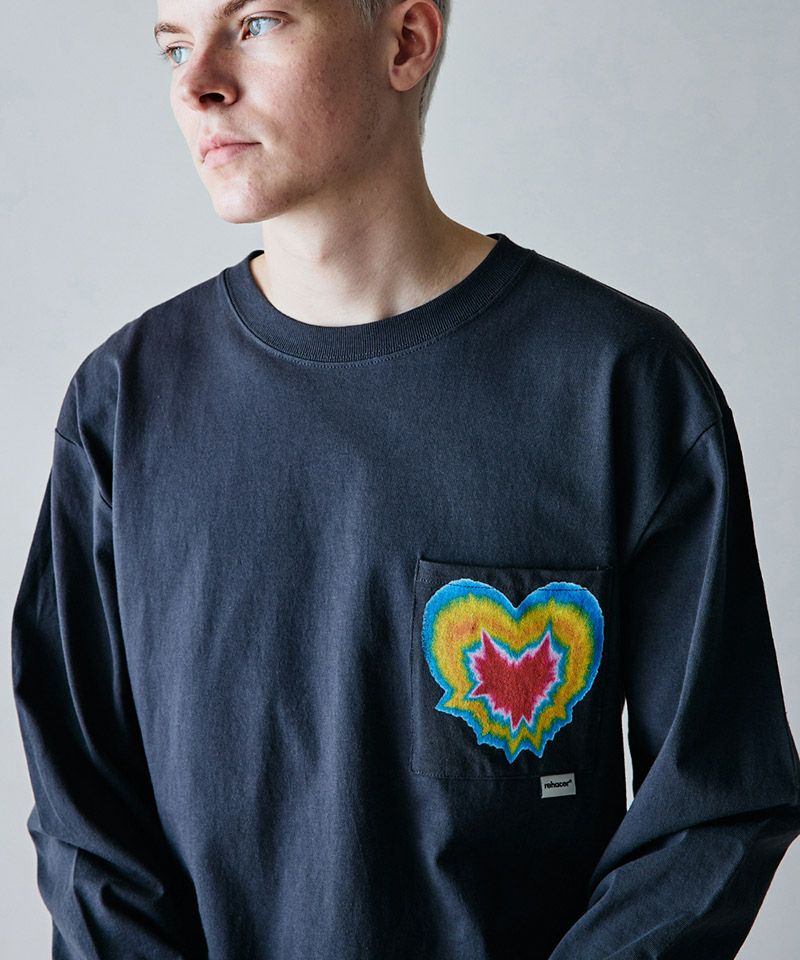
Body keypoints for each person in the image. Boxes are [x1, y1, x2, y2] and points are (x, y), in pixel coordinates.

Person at [11, 1, 800, 958]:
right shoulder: (122, 406)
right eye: (174, 46)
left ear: (406, 41)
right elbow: (86, 828)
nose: (196, 83)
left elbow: (711, 804)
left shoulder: (619, 385)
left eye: (255, 23)